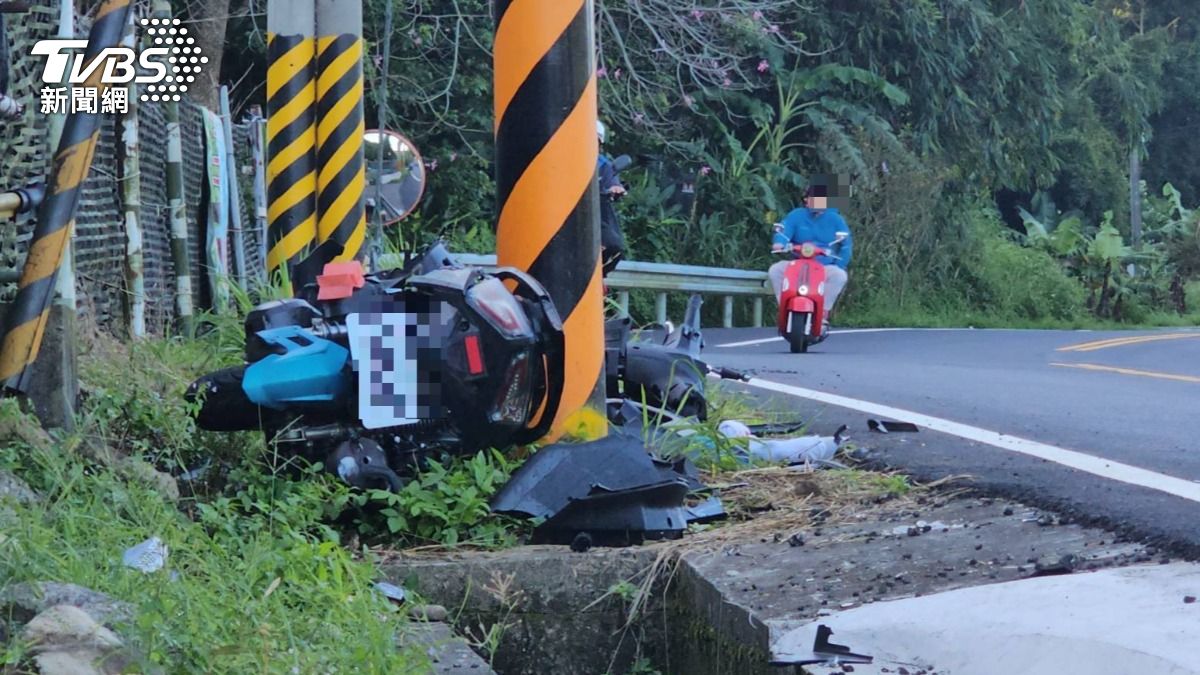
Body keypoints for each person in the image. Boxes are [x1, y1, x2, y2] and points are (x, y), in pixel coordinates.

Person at [768, 183, 852, 327]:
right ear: (806, 200)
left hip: (824, 266)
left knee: (839, 275)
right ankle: (784, 306)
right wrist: (779, 242)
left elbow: (846, 244)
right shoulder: (796, 215)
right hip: (798, 264)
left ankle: (824, 311)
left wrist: (839, 264)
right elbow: (784, 230)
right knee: (776, 270)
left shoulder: (835, 219)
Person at [597, 121, 626, 277]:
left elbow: (612, 182)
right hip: (566, 212)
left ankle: (598, 276)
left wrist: (615, 189)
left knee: (615, 246)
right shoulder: (565, 161)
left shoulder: (603, 165)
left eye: (596, 141)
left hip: (597, 212)